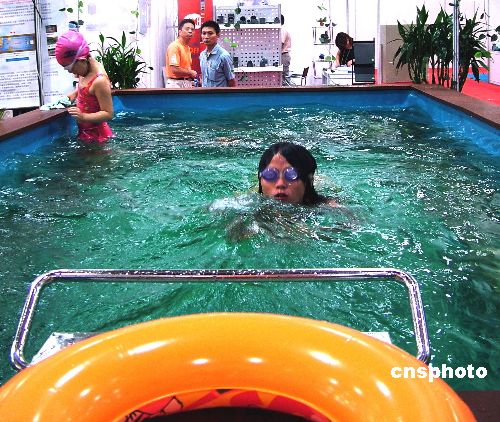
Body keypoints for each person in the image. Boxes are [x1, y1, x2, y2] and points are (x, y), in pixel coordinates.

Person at [55, 30, 113, 143]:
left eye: (70, 68)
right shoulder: (85, 69)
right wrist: (71, 96)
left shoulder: (99, 81)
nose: (70, 72)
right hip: (85, 132)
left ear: (81, 60)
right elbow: (85, 90)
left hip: (98, 138)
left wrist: (83, 117)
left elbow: (108, 113)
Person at [258, 142, 338, 206]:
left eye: (291, 175)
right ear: (260, 179)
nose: (280, 184)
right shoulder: (253, 203)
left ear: (309, 180)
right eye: (270, 175)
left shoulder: (329, 209)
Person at [199, 20, 236, 87]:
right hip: (204, 93)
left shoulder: (224, 56)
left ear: (218, 35)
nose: (206, 37)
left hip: (220, 94)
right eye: (204, 33)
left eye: (210, 33)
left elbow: (231, 81)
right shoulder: (202, 55)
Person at [165, 18, 198, 88]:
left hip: (185, 82)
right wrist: (191, 72)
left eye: (192, 29)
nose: (190, 31)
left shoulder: (187, 47)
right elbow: (174, 69)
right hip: (175, 83)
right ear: (180, 32)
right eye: (187, 29)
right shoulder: (174, 46)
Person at [281, 14, 291, 85]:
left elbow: (280, 43)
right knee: (283, 77)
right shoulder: (282, 30)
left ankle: (287, 89)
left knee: (284, 78)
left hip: (283, 55)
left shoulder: (282, 30)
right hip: (283, 55)